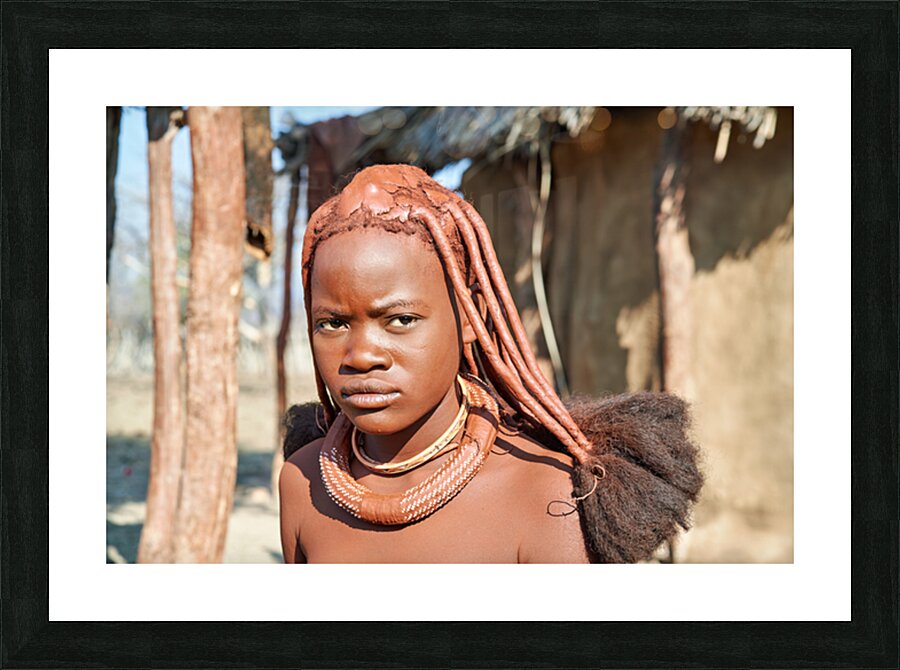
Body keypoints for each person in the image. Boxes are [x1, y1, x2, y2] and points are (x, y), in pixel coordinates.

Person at [279, 164, 702, 563]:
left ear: (469, 317)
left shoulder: (547, 498)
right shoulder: (303, 483)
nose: (362, 356)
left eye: (401, 320)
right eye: (332, 323)